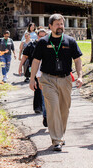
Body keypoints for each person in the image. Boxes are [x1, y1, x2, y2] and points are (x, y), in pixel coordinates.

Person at [30, 14, 84, 151]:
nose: (60, 27)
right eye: (57, 24)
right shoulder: (43, 42)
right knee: (53, 108)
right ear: (50, 26)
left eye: (61, 24)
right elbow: (35, 61)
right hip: (47, 79)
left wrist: (80, 76)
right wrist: (32, 79)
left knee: (64, 109)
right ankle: (56, 139)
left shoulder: (70, 41)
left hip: (65, 79)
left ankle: (60, 134)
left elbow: (77, 60)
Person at [18, 29, 48, 125]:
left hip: (46, 71)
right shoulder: (32, 45)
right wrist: (20, 66)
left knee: (43, 90)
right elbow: (25, 56)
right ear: (37, 36)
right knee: (37, 89)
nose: (42, 38)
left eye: (44, 36)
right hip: (34, 70)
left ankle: (44, 109)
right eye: (40, 36)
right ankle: (38, 107)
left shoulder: (49, 45)